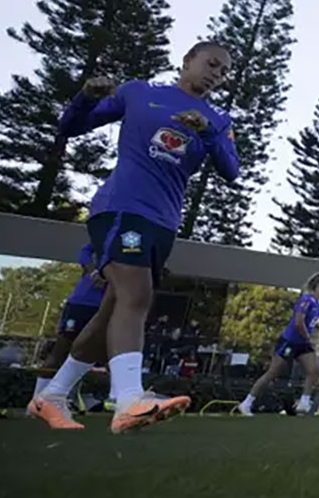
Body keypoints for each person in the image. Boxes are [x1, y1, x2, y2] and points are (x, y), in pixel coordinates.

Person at [31, 41, 238, 433]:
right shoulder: (140, 92)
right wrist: (84, 97)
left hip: (164, 222)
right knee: (137, 297)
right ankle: (128, 400)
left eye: (224, 71)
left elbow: (231, 171)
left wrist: (208, 131)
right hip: (122, 208)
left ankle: (52, 396)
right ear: (188, 61)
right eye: (211, 64)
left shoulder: (218, 118)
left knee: (112, 310)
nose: (217, 74)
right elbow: (70, 126)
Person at [238, 273, 319, 416]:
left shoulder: (316, 303)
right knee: (273, 372)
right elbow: (299, 322)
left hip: (302, 343)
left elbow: (309, 322)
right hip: (290, 341)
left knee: (314, 369)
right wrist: (308, 337)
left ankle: (304, 402)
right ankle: (247, 402)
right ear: (317, 286)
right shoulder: (305, 300)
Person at [32, 243, 107, 405]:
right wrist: (93, 271)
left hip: (106, 306)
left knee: (89, 354)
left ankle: (62, 398)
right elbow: (85, 251)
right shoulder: (106, 232)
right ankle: (36, 401)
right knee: (60, 350)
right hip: (81, 303)